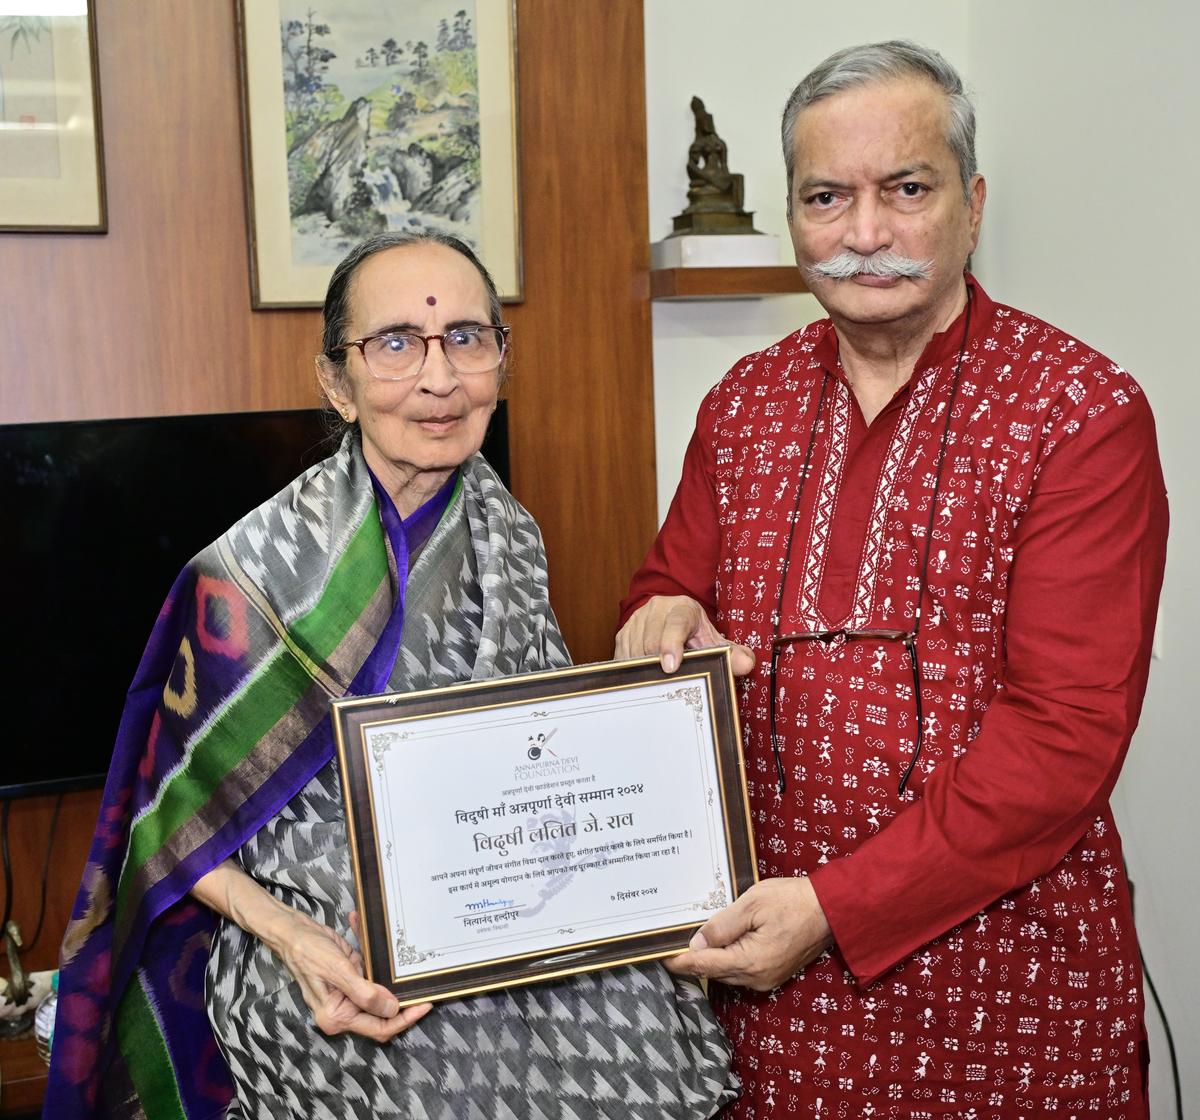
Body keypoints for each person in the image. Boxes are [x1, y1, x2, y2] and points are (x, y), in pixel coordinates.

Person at [46, 231, 738, 1119]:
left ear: (500, 359)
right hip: (318, 950)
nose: (440, 379)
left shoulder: (511, 536)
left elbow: (540, 757)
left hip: (505, 912)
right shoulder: (246, 573)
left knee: (641, 1041)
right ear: (337, 381)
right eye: (397, 344)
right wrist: (298, 940)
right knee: (427, 1068)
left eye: (467, 338)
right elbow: (163, 819)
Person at [617, 40, 1167, 1119]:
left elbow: (1065, 737)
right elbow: (663, 587)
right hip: (771, 995)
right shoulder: (743, 404)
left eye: (904, 189)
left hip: (1010, 990)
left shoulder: (1082, 412)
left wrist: (833, 906)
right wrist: (658, 619)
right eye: (828, 197)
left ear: (972, 203)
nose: (864, 234)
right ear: (790, 214)